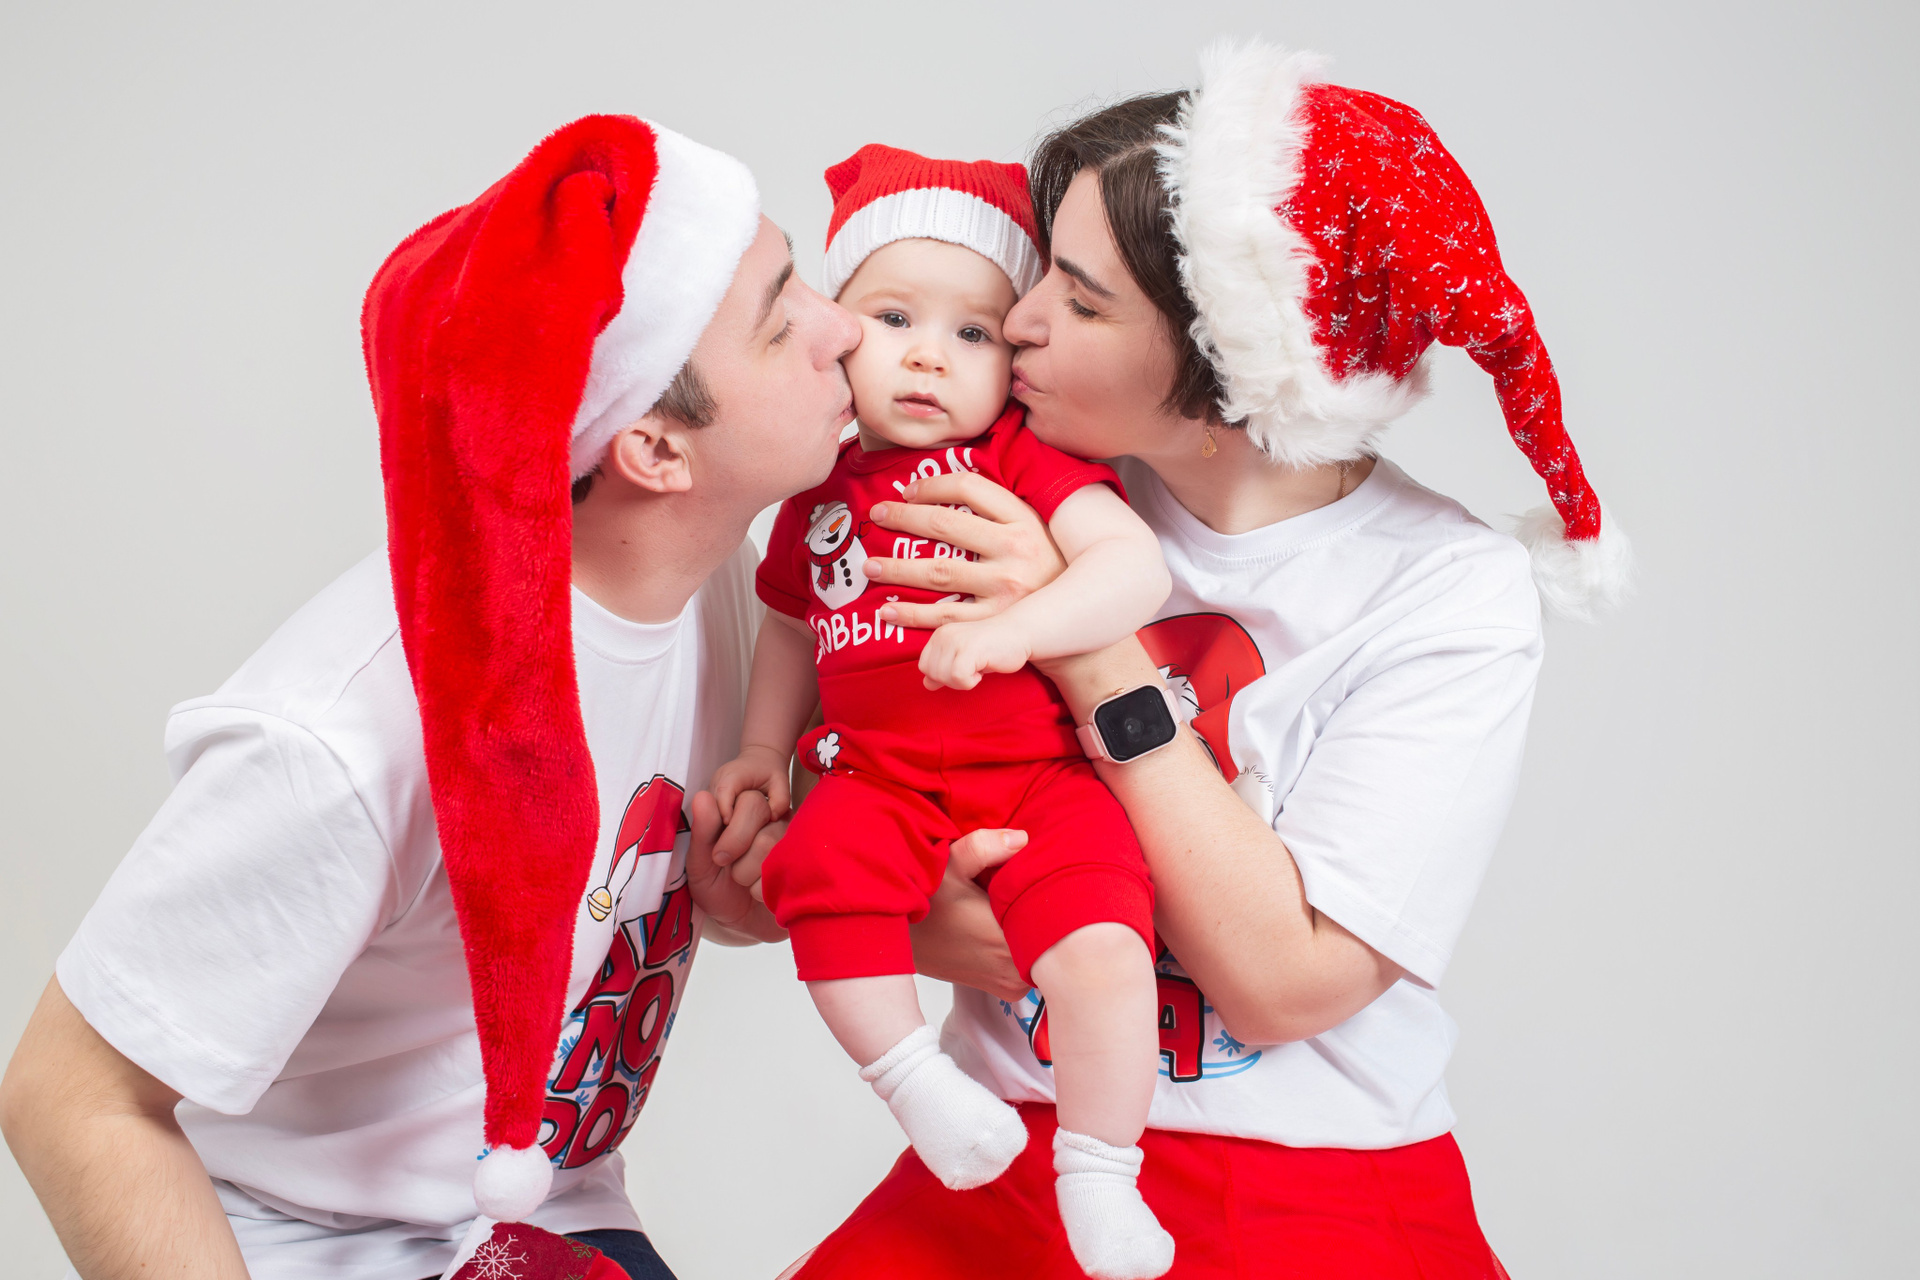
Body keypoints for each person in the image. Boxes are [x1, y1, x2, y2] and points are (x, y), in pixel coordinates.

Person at [0, 114, 996, 1280]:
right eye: (784, 322)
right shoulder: (346, 734)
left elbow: (670, 897)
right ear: (655, 449)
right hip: (319, 1246)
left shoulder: (730, 589)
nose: (846, 327)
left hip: (552, 1213)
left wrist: (746, 886)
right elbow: (68, 1093)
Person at [762, 40, 1631, 1280]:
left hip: (1304, 1187)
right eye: (1042, 276)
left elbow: (1289, 982)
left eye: (1082, 301)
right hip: (997, 1158)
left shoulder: (1445, 588)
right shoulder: (987, 472)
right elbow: (783, 834)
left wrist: (1083, 643)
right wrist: (897, 896)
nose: (1018, 320)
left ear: (1228, 363)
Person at [714, 146, 1175, 1279]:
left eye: (972, 331)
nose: (929, 354)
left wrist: (1022, 628)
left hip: (1039, 779)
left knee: (1107, 952)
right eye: (893, 318)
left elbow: (1134, 569)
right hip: (875, 776)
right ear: (837, 330)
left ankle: (1100, 1170)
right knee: (817, 871)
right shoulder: (818, 488)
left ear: (1010, 357)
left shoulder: (1019, 458)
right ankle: (916, 1082)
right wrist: (765, 747)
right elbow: (790, 625)